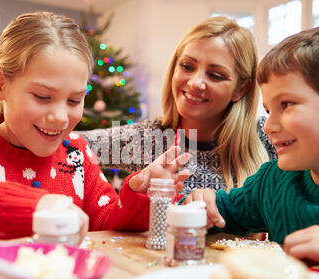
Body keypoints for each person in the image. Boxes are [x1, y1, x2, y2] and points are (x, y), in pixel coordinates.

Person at [0, 12, 189, 254]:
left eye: (74, 101)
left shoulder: (76, 153)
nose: (60, 117)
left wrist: (138, 196)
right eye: (43, 96)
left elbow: (106, 225)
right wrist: (29, 206)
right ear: (0, 84)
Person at [183, 22, 319, 279]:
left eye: (287, 104)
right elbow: (224, 213)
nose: (268, 126)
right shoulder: (274, 181)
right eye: (269, 110)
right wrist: (199, 206)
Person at [78, 16, 276, 196]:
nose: (195, 82)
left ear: (241, 89)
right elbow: (68, 144)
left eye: (215, 75)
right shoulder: (147, 138)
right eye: (187, 66)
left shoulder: (269, 138)